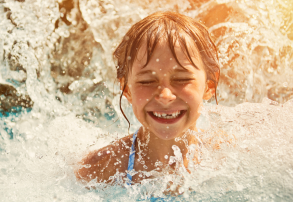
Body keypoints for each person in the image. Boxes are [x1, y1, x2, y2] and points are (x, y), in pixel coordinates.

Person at [76, 11, 220, 189]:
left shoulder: (227, 158)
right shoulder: (101, 169)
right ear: (126, 89)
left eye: (181, 79)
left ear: (209, 85)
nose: (165, 96)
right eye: (147, 81)